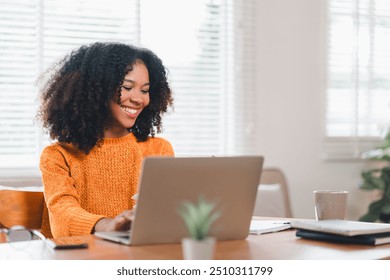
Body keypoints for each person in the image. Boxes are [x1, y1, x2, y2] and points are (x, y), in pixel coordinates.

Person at [36, 42, 174, 238]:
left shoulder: (159, 149)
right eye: (127, 87)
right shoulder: (57, 156)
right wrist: (109, 225)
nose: (138, 99)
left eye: (145, 90)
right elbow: (63, 216)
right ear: (96, 90)